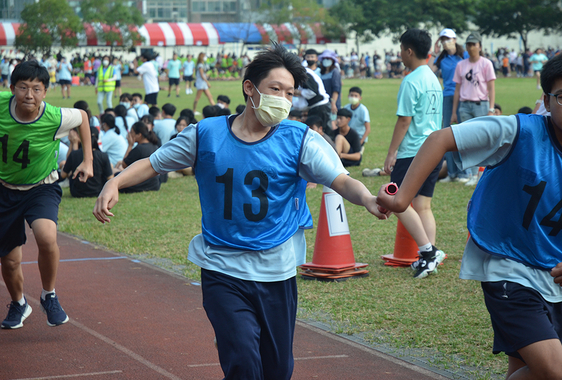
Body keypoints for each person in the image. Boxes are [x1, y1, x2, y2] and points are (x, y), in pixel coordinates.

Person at [93, 43, 387, 380]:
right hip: (222, 265)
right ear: (250, 88)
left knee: (278, 370)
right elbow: (153, 164)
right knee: (244, 364)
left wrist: (366, 198)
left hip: (276, 269)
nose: (283, 100)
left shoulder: (299, 139)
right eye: (275, 89)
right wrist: (114, 183)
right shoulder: (206, 134)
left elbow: (340, 179)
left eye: (290, 93)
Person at [377, 50, 562, 380]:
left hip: (556, 274)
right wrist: (402, 198)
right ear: (546, 100)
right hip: (505, 262)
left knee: (524, 369)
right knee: (552, 368)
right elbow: (440, 138)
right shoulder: (516, 131)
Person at [0, 61, 93, 329]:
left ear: (45, 91)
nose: (29, 95)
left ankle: (48, 295)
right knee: (9, 258)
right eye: (23, 88)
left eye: (37, 89)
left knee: (46, 235)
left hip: (41, 187)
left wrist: (87, 160)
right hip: (5, 188)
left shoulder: (54, 117)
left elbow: (83, 117)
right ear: (11, 88)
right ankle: (19, 303)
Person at [383, 28, 444, 279]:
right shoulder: (432, 78)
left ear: (409, 51)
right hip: (434, 147)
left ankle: (427, 252)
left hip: (413, 152)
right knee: (423, 205)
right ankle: (430, 255)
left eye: (401, 49)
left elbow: (404, 121)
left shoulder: (411, 80)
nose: (400, 54)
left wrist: (391, 153)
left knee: (395, 201)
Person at [451, 32, 496, 186]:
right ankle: (471, 174)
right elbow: (457, 89)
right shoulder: (461, 65)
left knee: (482, 141)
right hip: (464, 105)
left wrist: (491, 108)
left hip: (480, 104)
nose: (471, 47)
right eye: (468, 45)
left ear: (479, 46)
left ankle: (481, 174)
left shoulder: (486, 64)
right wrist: (454, 111)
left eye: (474, 44)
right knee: (467, 141)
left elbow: (491, 88)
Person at [429, 28, 469, 183]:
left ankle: (464, 173)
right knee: (447, 133)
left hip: (463, 96)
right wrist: (435, 52)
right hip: (446, 97)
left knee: (463, 134)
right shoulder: (441, 58)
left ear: (454, 39)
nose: (445, 42)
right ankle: (452, 173)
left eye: (448, 39)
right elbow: (430, 71)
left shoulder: (464, 55)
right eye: (442, 39)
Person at [61, 127, 113, 198]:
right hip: (98, 191)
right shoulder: (103, 155)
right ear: (97, 139)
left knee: (63, 164)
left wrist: (73, 143)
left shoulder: (74, 154)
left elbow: (63, 174)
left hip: (77, 193)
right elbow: (110, 178)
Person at [114, 122, 161, 193]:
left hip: (138, 184)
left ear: (139, 135)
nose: (129, 134)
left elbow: (124, 165)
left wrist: (130, 145)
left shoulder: (139, 149)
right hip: (154, 184)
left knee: (114, 173)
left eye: (131, 132)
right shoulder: (154, 146)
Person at [295, 49, 331, 135]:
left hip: (320, 107)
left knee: (320, 133)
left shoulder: (304, 74)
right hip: (316, 107)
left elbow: (313, 91)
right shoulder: (305, 72)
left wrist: (298, 92)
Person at [318, 50, 342, 119]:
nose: (326, 60)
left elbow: (336, 89)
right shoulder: (321, 73)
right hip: (322, 102)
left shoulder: (335, 72)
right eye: (324, 58)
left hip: (332, 103)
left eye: (328, 59)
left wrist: (333, 103)